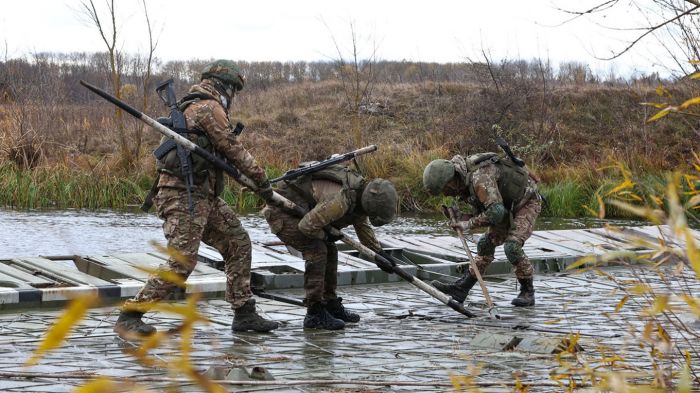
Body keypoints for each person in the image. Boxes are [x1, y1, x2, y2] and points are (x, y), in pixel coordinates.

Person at [114, 60, 279, 337]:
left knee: (238, 242)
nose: (234, 97)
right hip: (182, 195)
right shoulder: (208, 107)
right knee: (182, 262)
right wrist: (262, 183)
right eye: (234, 91)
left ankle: (244, 312)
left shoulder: (198, 105)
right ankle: (130, 315)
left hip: (204, 195)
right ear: (225, 86)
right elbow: (232, 149)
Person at [262, 163, 397, 330]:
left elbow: (362, 225)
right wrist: (326, 235)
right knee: (318, 250)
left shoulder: (360, 194)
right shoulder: (340, 200)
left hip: (306, 211)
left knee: (330, 249)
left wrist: (379, 254)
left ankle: (330, 304)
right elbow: (306, 227)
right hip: (283, 212)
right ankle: (314, 312)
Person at [422, 152, 542, 307]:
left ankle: (528, 292)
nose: (446, 194)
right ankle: (461, 288)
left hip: (526, 202)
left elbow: (496, 213)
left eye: (446, 190)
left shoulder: (480, 178)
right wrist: (463, 217)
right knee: (485, 244)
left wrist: (468, 224)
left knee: (512, 246)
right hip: (504, 205)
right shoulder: (464, 180)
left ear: (451, 181)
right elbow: (488, 209)